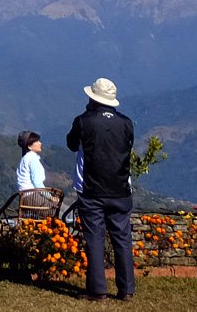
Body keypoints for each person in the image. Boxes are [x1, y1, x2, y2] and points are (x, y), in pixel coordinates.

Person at [66, 78, 135, 302]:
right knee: (122, 239)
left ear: (92, 98)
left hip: (91, 189)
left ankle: (97, 290)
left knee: (95, 238)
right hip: (121, 188)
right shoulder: (126, 123)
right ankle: (126, 290)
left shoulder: (83, 121)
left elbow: (71, 144)